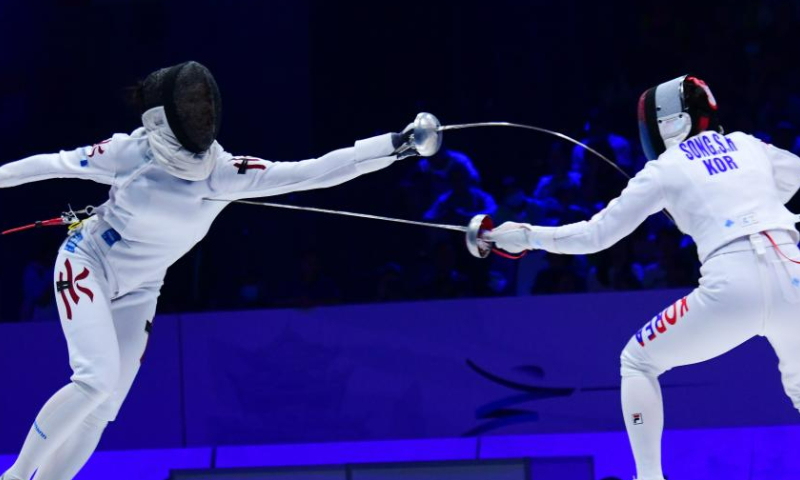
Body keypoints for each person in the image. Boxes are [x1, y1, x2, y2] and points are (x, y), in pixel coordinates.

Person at [0, 61, 436, 480]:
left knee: (102, 409)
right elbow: (48, 164)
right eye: (191, 108)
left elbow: (314, 173)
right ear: (163, 120)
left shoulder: (224, 173)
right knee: (95, 380)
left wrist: (395, 144)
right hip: (88, 262)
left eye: (204, 107)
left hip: (142, 288)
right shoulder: (129, 153)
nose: (200, 115)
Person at [486, 75, 800, 480]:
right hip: (794, 272)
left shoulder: (665, 168)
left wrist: (530, 236)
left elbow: (595, 235)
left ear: (669, 123)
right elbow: (791, 179)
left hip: (732, 287)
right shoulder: (749, 144)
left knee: (638, 361)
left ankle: (649, 478)